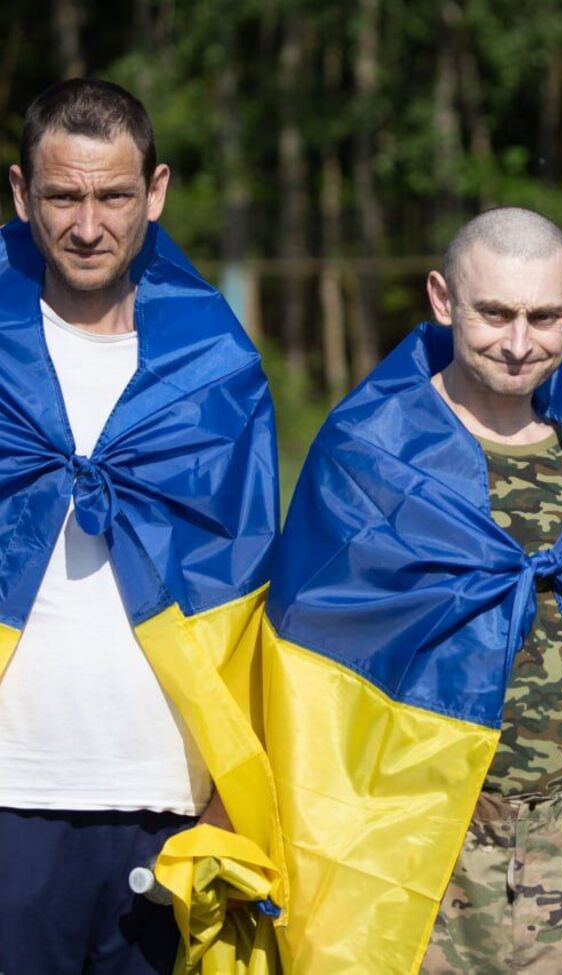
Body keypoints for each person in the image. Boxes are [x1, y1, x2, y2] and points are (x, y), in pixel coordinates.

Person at [262, 207, 562, 973]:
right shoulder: (370, 454)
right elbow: (306, 659)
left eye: (543, 318)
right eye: (495, 314)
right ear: (443, 299)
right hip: (419, 842)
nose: (518, 343)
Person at [0, 80, 283, 973]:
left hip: (164, 799)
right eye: (63, 197)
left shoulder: (218, 374)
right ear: (20, 195)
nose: (89, 225)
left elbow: (252, 594)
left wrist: (234, 790)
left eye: (114, 196)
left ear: (154, 191)